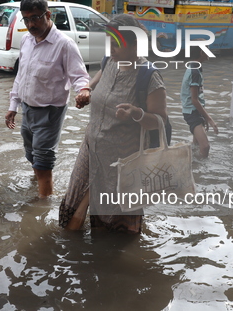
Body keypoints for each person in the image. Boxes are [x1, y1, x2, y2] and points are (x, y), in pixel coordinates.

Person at [59, 14, 167, 233]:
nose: (111, 48)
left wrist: (137, 114)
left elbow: (160, 121)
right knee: (73, 205)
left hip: (122, 161)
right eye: (109, 41)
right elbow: (95, 82)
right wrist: (86, 91)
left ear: (136, 44)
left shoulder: (149, 77)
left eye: (116, 43)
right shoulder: (110, 62)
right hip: (91, 148)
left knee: (113, 224)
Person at [5, 0, 91, 198]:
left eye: (35, 17)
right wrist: (13, 106)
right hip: (27, 110)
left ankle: (42, 211)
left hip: (50, 112)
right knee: (31, 155)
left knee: (43, 162)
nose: (30, 24)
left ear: (48, 15)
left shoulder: (64, 44)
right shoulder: (26, 40)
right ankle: (39, 183)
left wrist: (84, 90)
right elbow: (21, 77)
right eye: (26, 19)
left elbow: (79, 75)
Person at [181, 46, 219, 158]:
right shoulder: (195, 72)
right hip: (192, 112)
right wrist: (209, 118)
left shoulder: (194, 67)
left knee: (196, 145)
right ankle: (200, 172)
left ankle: (192, 165)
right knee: (205, 147)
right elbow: (194, 99)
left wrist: (203, 116)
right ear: (202, 52)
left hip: (194, 111)